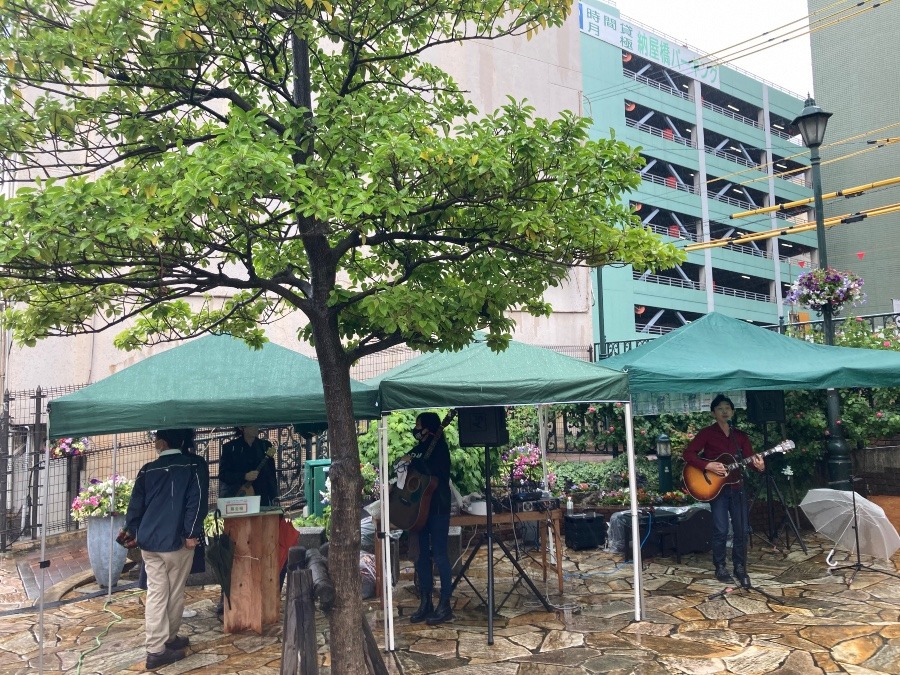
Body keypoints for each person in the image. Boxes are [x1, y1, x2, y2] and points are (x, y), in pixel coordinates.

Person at [124, 428, 209, 670]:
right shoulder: (194, 466)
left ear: (162, 441)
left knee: (156, 593)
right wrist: (192, 533)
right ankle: (167, 641)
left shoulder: (147, 470)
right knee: (174, 593)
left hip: (148, 544)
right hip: (178, 542)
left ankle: (156, 647)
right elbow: (198, 501)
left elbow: (134, 508)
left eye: (155, 439)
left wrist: (132, 538)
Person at [683, 394, 764, 588]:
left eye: (728, 408)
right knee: (720, 529)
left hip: (737, 488)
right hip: (716, 489)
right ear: (713, 413)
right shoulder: (706, 434)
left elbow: (749, 459)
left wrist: (759, 466)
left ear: (733, 412)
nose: (725, 411)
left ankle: (739, 567)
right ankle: (719, 565)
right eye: (720, 408)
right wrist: (708, 465)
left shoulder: (740, 436)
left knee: (742, 530)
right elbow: (688, 454)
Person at [405, 411, 454, 625]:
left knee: (441, 556)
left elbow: (436, 472)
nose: (416, 430)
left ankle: (445, 604)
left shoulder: (441, 449)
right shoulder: (418, 449)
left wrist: (418, 464)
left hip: (438, 508)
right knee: (421, 556)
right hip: (419, 511)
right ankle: (426, 601)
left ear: (428, 428)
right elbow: (408, 464)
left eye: (418, 426)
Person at [219, 426, 278, 505]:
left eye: (256, 424)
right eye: (251, 425)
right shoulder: (230, 448)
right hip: (239, 497)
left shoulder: (264, 446)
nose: (255, 427)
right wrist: (244, 476)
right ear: (242, 428)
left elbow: (271, 474)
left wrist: (274, 497)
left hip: (262, 498)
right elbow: (223, 475)